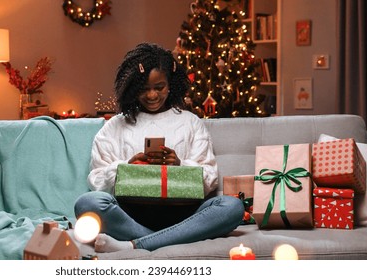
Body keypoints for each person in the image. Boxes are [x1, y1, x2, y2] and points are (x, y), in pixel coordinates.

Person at [74, 42, 244, 253]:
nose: (152, 95)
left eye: (159, 87)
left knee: (232, 207)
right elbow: (96, 180)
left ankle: (135, 244)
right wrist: (126, 167)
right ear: (133, 89)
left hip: (185, 214)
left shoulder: (191, 122)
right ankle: (167, 240)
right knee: (86, 203)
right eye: (144, 89)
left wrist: (180, 165)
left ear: (170, 84)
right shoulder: (115, 126)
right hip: (130, 215)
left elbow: (210, 177)